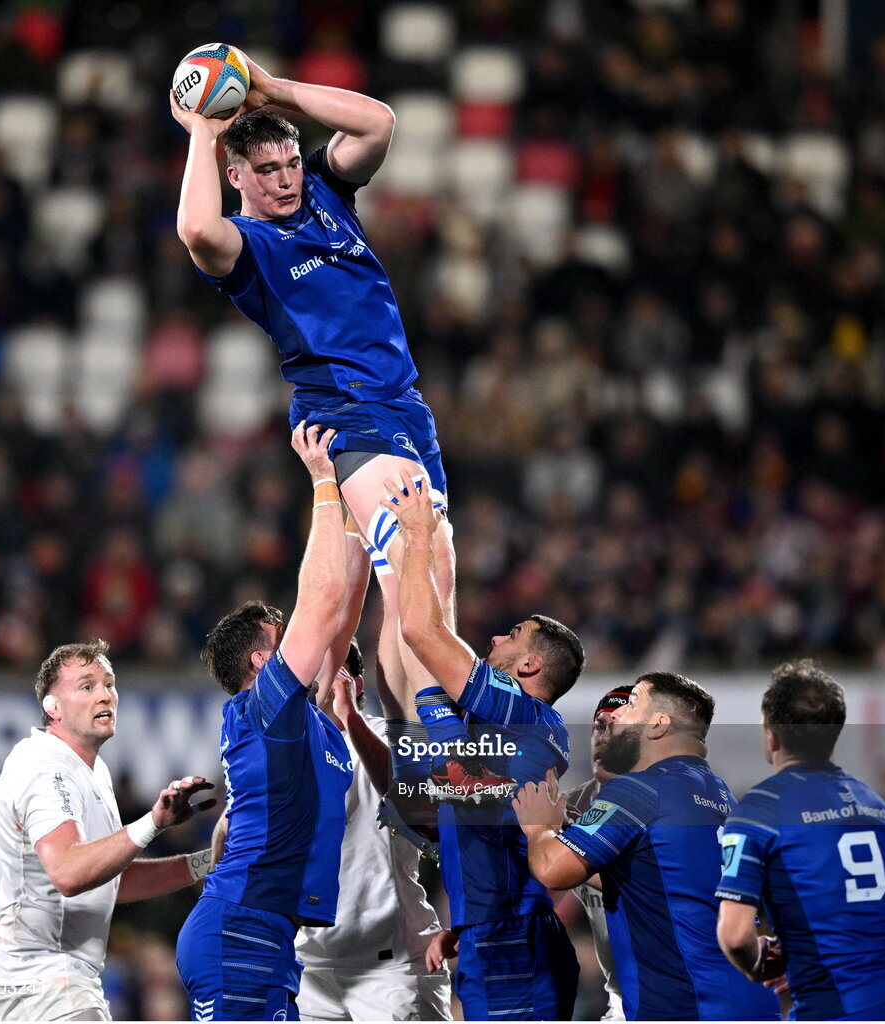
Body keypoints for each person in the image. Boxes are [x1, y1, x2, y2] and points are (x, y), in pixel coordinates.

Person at [170, 53, 456, 758]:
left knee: (427, 587)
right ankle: (438, 756)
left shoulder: (326, 192)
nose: (286, 177)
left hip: (404, 409)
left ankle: (400, 753)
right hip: (345, 410)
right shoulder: (251, 246)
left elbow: (379, 123)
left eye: (291, 162)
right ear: (236, 177)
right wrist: (201, 136)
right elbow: (197, 232)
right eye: (265, 170)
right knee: (417, 573)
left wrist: (273, 91)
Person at [381, 470, 583, 1021]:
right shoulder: (511, 728)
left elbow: (424, 631)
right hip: (500, 935)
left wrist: (418, 536)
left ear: (529, 665)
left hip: (512, 948)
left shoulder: (520, 709)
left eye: (511, 636)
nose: (494, 638)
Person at [175, 422, 352, 1021]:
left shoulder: (299, 720)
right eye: (282, 643)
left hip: (261, 929)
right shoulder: (271, 703)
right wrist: (323, 481)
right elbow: (323, 599)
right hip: (242, 930)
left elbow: (340, 612)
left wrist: (358, 504)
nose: (299, 650)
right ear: (261, 661)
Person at [512, 671, 781, 1022]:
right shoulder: (722, 796)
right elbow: (656, 883)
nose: (619, 713)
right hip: (752, 1001)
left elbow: (552, 869)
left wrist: (539, 829)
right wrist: (572, 833)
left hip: (688, 1006)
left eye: (633, 704)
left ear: (658, 725)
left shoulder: (641, 788)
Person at [0, 640, 218, 1022]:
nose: (104, 695)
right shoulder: (44, 767)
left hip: (55, 982)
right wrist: (153, 823)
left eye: (109, 683)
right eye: (87, 686)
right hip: (41, 980)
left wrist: (209, 861)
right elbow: (70, 873)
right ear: (51, 707)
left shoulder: (89, 769)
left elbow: (109, 881)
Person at [716, 659, 885, 1021]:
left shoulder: (758, 811)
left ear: (772, 734)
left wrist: (758, 966)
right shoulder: (875, 805)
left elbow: (736, 936)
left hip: (833, 1006)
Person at [294, 638, 452, 1021]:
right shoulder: (284, 750)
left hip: (392, 967)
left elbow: (417, 806)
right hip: (308, 966)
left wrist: (350, 718)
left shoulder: (397, 736)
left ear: (354, 683)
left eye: (324, 670)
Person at [566, 686, 632, 1021]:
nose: (604, 737)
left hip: (667, 993)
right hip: (618, 997)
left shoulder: (666, 800)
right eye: (599, 726)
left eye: (618, 728)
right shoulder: (572, 806)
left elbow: (644, 881)